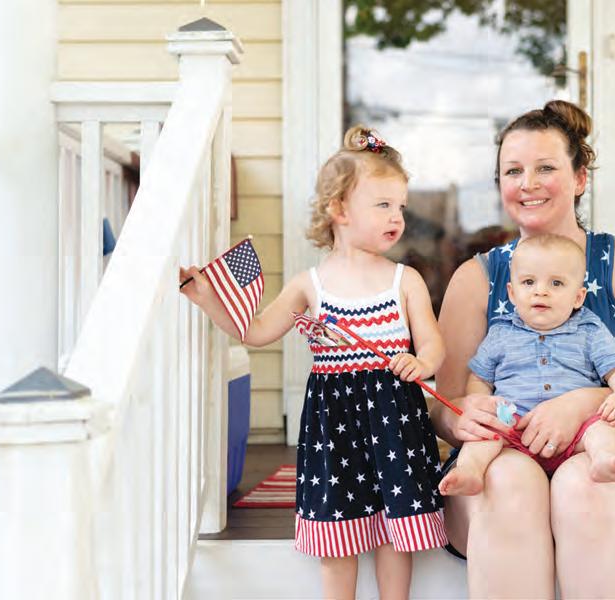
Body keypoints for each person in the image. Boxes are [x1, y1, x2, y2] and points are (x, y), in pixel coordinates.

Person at [180, 126, 448, 600]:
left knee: (396, 529)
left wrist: (419, 362)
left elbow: (434, 345)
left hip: (394, 421)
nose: (397, 217)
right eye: (383, 204)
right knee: (337, 533)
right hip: (334, 425)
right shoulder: (310, 284)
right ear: (339, 209)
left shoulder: (404, 280)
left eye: (401, 207)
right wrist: (207, 299)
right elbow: (255, 330)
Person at [432, 99, 615, 598]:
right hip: (501, 455)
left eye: (546, 168)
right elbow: (445, 407)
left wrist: (581, 406)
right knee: (508, 485)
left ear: (580, 177)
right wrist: (466, 417)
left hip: (614, 458)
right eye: (513, 171)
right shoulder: (476, 278)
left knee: (584, 487)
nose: (528, 183)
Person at [438, 233, 615, 498]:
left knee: (605, 427)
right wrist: (481, 403)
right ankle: (470, 470)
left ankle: (604, 460)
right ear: (512, 293)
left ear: (578, 297)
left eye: (556, 283)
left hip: (575, 433)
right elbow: (480, 378)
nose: (540, 291)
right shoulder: (501, 332)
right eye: (529, 282)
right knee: (485, 434)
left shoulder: (589, 330)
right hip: (514, 427)